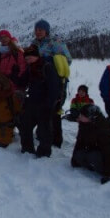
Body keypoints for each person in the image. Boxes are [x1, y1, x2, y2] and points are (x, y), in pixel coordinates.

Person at [32, 19, 72, 148]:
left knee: (54, 109)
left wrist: (48, 60)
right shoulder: (34, 44)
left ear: (46, 31)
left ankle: (56, 138)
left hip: (56, 82)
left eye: (41, 30)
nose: (38, 32)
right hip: (40, 81)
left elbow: (67, 60)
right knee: (42, 108)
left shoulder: (55, 43)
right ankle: (42, 133)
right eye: (36, 30)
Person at [18, 44, 61, 158]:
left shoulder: (47, 67)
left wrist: (49, 103)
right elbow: (22, 82)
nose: (28, 59)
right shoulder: (30, 68)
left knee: (44, 130)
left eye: (30, 57)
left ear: (36, 56)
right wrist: (16, 74)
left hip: (44, 103)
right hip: (32, 102)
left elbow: (54, 87)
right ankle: (27, 149)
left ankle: (44, 152)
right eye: (26, 58)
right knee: (25, 126)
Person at [70, 104, 110, 184]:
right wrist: (74, 160)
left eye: (82, 115)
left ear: (91, 117)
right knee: (79, 155)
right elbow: (79, 142)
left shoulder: (102, 130)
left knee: (92, 156)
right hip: (96, 149)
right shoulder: (84, 125)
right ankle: (94, 164)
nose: (80, 117)